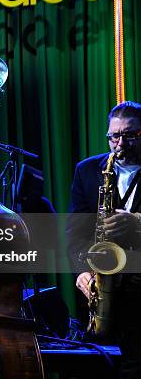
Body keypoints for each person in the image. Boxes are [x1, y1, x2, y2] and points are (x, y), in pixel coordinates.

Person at [67, 101, 141, 378]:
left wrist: (136, 223)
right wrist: (82, 271)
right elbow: (75, 232)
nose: (121, 143)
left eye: (130, 135)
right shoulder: (87, 170)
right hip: (101, 288)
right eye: (114, 136)